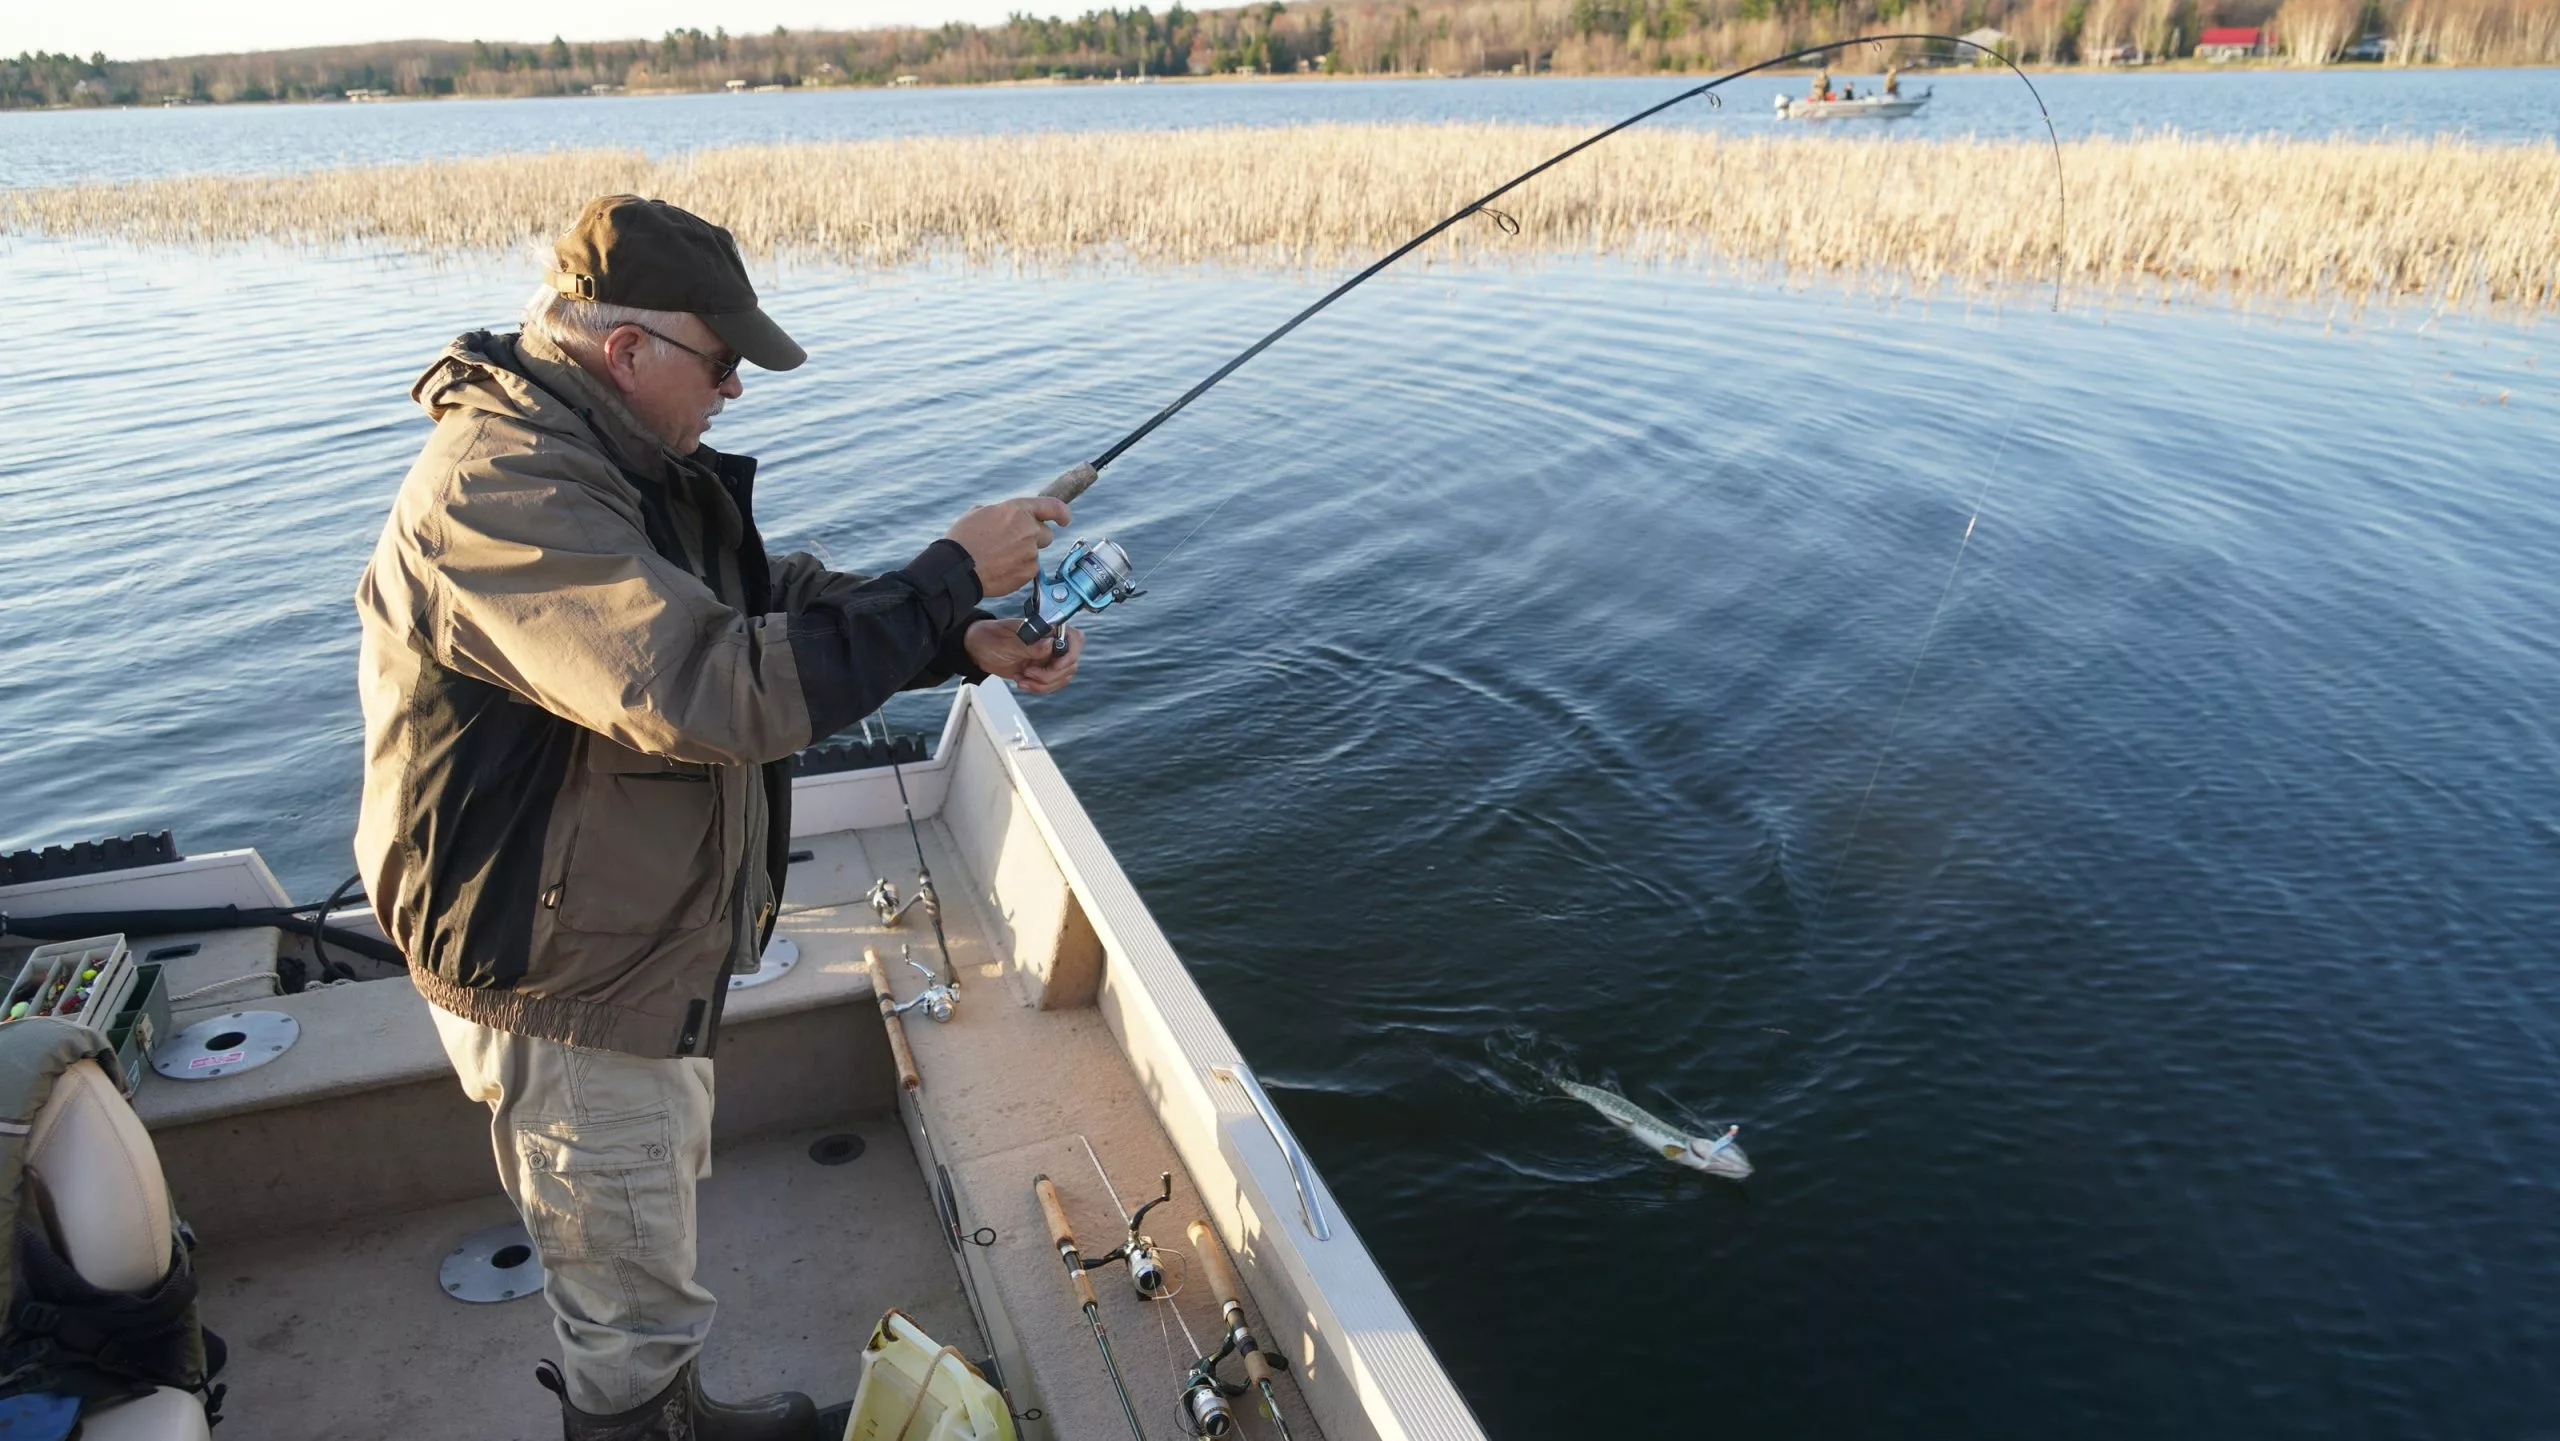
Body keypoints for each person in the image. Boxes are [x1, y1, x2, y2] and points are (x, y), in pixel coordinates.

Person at [354, 195, 1086, 1440]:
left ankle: (682, 1411)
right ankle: (644, 1422)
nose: (737, 389)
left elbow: (761, 600)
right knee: (623, 1293)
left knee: (642, 1249)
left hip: (623, 937)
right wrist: (950, 571)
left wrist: (952, 631)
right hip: (560, 974)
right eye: (724, 361)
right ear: (627, 350)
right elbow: (710, 687)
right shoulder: (504, 489)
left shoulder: (612, 454)